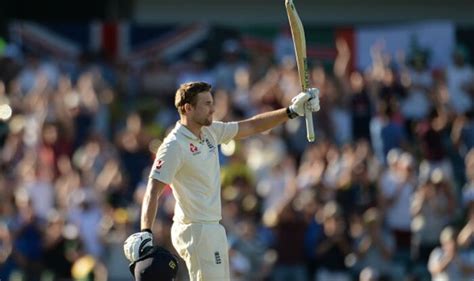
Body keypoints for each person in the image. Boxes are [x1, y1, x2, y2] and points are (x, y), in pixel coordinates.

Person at [123, 81, 320, 280]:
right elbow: (153, 189)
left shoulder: (210, 132)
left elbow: (252, 125)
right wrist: (146, 230)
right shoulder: (173, 145)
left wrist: (291, 111)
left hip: (212, 227)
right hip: (196, 229)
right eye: (207, 104)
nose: (213, 109)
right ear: (188, 108)